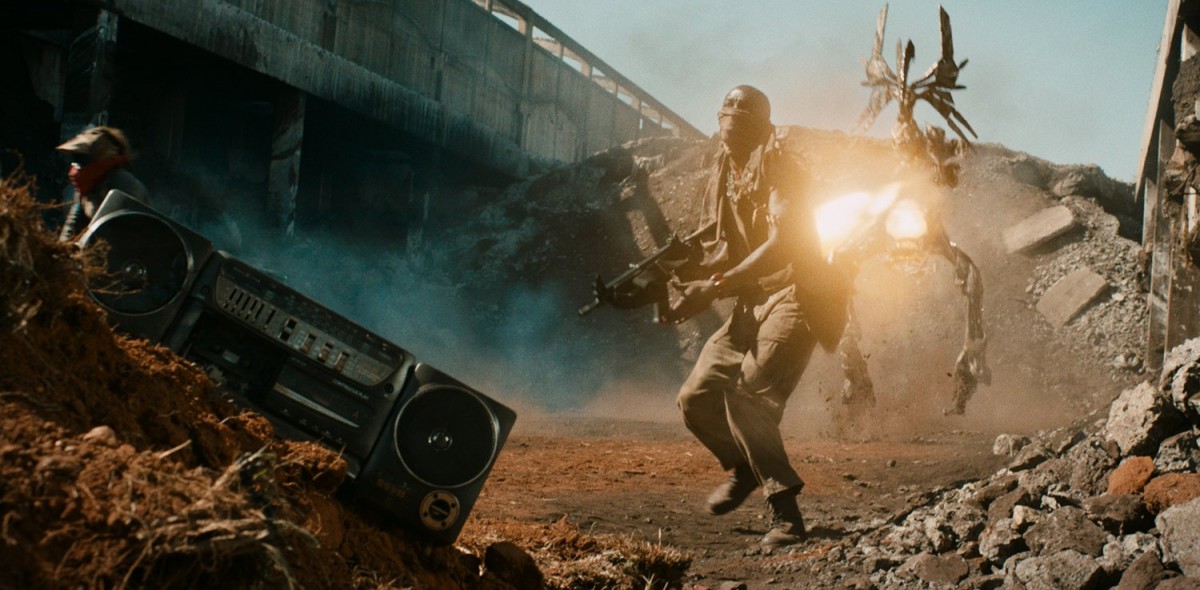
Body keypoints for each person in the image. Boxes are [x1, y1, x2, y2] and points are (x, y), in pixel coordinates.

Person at [665, 85, 847, 548]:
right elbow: (723, 248)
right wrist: (675, 275)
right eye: (727, 108)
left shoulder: (781, 167)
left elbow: (783, 245)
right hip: (750, 302)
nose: (732, 115)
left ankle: (786, 515)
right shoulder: (724, 171)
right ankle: (745, 468)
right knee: (695, 398)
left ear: (763, 125)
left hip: (797, 294)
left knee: (747, 396)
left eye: (743, 111)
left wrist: (714, 288)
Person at [55, 125, 150, 241]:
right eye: (78, 159)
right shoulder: (87, 187)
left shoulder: (124, 183)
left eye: (84, 159)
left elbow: (127, 228)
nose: (79, 166)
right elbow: (72, 225)